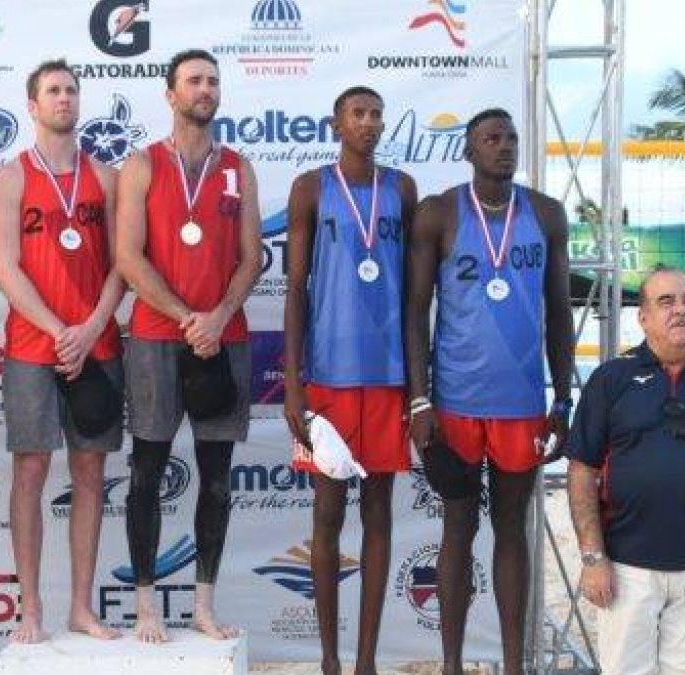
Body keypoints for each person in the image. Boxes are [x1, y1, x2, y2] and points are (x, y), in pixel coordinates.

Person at [404, 108, 574, 675]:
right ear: (469, 151)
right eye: (491, 138)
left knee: (511, 529)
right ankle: (451, 664)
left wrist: (563, 397)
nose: (504, 146)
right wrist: (420, 399)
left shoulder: (546, 214)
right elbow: (415, 311)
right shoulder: (438, 213)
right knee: (458, 527)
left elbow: (559, 312)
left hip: (521, 405)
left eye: (511, 138)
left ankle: (512, 664)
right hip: (455, 401)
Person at [115, 48, 261, 643]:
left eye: (213, 81)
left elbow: (253, 257)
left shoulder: (238, 168)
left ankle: (204, 604)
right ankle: (146, 607)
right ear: (171, 95)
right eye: (194, 81)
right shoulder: (141, 165)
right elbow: (128, 258)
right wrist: (187, 318)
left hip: (224, 339)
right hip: (156, 338)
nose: (206, 89)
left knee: (218, 480)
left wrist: (217, 317)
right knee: (146, 475)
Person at [0, 59, 125, 643]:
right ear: (32, 105)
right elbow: (4, 267)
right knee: (31, 471)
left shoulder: (107, 178)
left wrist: (89, 328)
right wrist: (59, 330)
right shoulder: (10, 177)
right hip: (32, 348)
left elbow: (123, 264)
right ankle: (32, 608)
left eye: (70, 90)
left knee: (90, 471)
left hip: (97, 344)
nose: (64, 98)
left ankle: (81, 608)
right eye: (52, 91)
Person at [565, 266, 685, 675]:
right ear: (643, 317)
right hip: (627, 568)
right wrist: (592, 557)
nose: (681, 309)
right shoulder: (611, 379)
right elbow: (582, 471)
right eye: (666, 301)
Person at [282, 86, 417, 675]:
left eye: (376, 114)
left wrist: (419, 386)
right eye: (358, 114)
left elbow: (415, 294)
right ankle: (330, 659)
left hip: (387, 374)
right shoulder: (311, 187)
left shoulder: (402, 189)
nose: (369, 122)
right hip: (329, 375)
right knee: (327, 512)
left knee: (379, 510)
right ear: (336, 124)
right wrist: (293, 384)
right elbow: (294, 289)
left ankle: (366, 660)